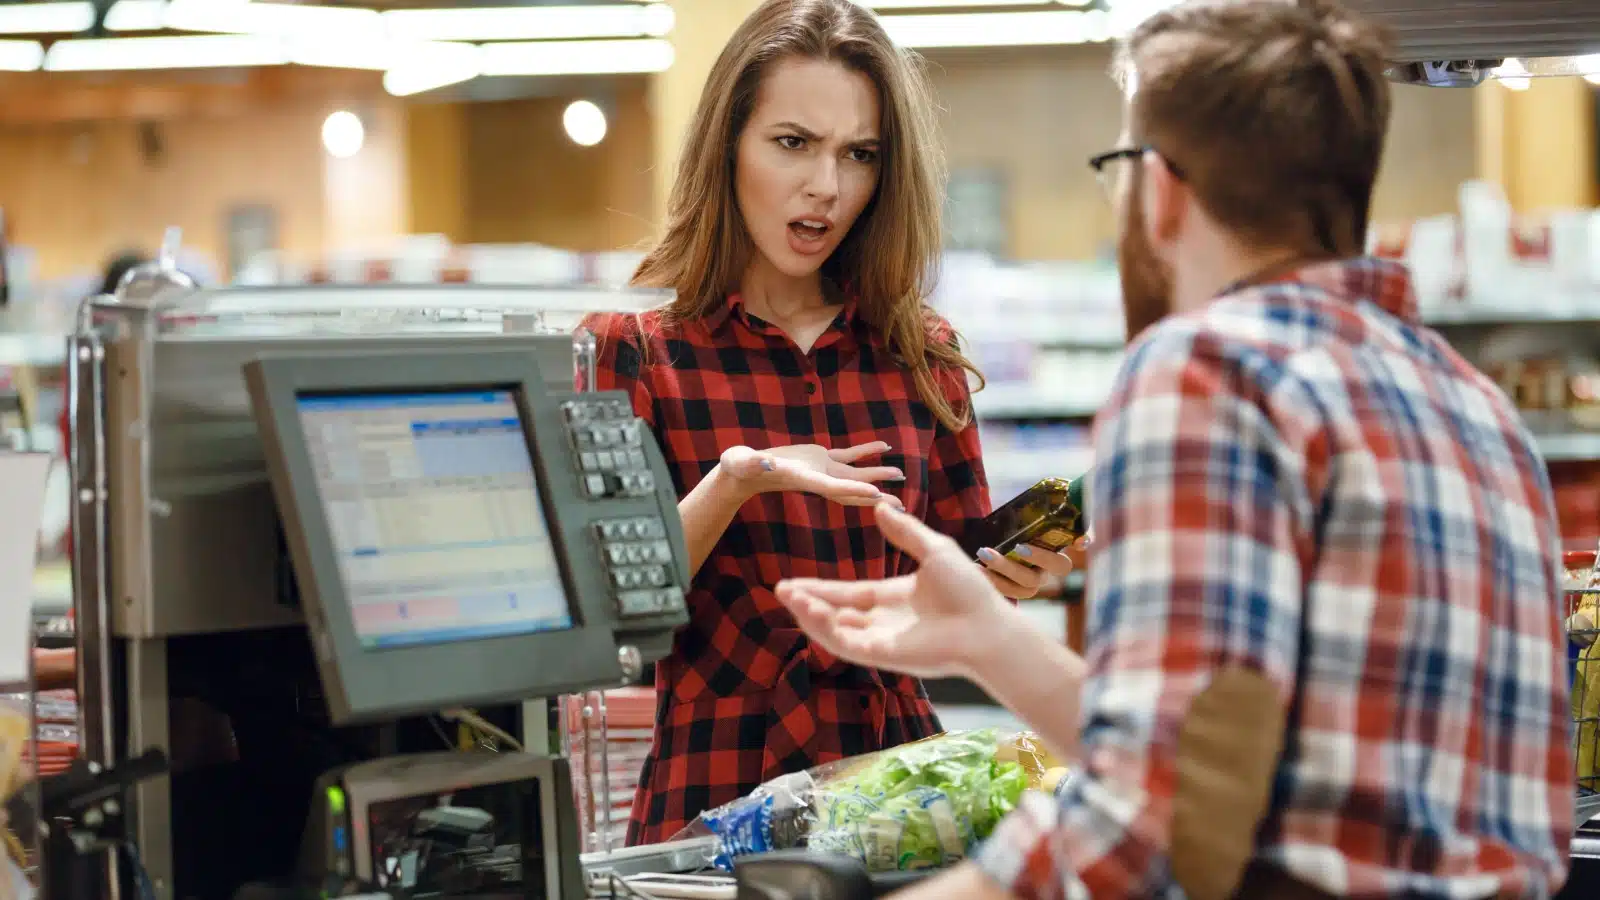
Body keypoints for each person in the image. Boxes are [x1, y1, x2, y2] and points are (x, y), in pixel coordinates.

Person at [777, 1, 1574, 897]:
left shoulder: (1210, 369)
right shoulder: (1480, 413)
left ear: (1156, 188)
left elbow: (1144, 826)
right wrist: (990, 638)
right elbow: (1229, 769)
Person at [581, 0, 1075, 847]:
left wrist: (1015, 577)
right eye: (793, 143)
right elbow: (613, 606)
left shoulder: (920, 351)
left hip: (905, 791)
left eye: (860, 154)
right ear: (727, 146)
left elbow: (950, 580)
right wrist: (741, 476)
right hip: (714, 790)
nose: (828, 186)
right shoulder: (633, 354)